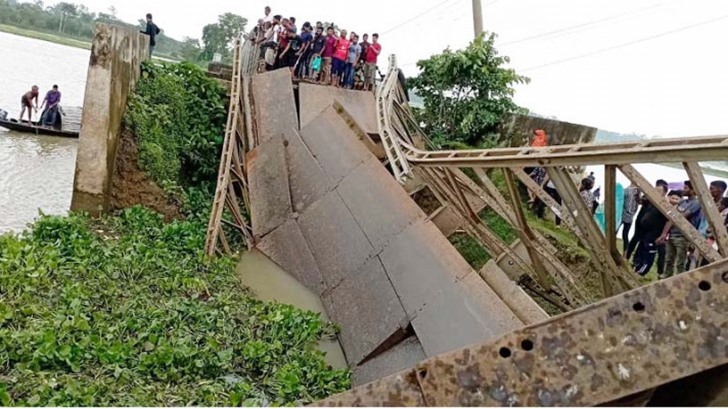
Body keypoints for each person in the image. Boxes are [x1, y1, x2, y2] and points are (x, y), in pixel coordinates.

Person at [658, 181, 702, 279]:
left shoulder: (696, 203)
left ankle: (678, 280)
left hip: (683, 237)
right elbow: (672, 217)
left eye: (686, 188)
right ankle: (666, 277)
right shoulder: (682, 202)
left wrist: (674, 217)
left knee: (680, 262)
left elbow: (681, 217)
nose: (683, 190)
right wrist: (664, 233)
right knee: (669, 259)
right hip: (673, 234)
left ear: (693, 190)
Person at [631, 184, 671, 276]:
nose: (655, 193)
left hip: (654, 233)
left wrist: (663, 235)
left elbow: (669, 221)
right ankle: (636, 268)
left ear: (664, 193)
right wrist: (638, 192)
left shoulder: (664, 205)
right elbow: (640, 201)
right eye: (654, 190)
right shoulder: (652, 201)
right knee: (641, 250)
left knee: (648, 253)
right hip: (645, 232)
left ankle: (642, 272)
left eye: (658, 191)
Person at [621, 182, 641, 254]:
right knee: (625, 235)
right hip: (630, 216)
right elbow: (637, 205)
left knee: (614, 231)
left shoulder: (627, 190)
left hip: (622, 214)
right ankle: (625, 253)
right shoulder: (638, 192)